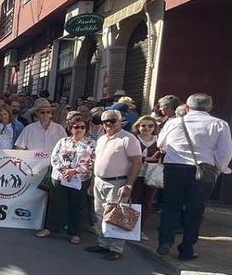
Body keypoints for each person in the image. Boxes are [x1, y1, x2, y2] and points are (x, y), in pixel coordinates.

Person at [156, 93, 232, 260]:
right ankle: (186, 249)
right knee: (195, 209)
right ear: (210, 107)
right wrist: (219, 168)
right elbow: (227, 151)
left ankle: (165, 242)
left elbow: (160, 144)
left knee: (171, 206)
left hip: (174, 167)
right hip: (203, 169)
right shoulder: (219, 124)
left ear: (187, 107)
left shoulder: (174, 122)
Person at [84, 110, 143, 261]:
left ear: (119, 121)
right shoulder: (102, 138)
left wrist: (129, 185)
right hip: (99, 180)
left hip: (118, 182)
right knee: (100, 214)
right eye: (105, 121)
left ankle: (116, 248)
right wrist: (92, 183)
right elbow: (96, 161)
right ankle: (103, 244)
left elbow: (137, 162)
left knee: (116, 215)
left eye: (112, 121)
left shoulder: (128, 139)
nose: (108, 124)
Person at [36, 115, 93, 244]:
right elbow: (54, 158)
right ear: (70, 128)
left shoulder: (91, 144)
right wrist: (64, 170)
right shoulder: (63, 141)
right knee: (56, 203)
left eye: (82, 127)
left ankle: (74, 233)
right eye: (76, 127)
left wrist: (75, 171)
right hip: (61, 178)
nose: (79, 129)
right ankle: (50, 228)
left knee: (76, 206)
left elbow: (92, 162)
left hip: (80, 180)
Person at [130, 115, 161, 233]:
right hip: (136, 174)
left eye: (150, 126)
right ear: (138, 126)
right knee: (135, 201)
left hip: (153, 175)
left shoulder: (159, 140)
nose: (146, 128)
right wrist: (147, 159)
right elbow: (130, 157)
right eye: (143, 125)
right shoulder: (133, 139)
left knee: (147, 202)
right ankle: (131, 228)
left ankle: (140, 230)